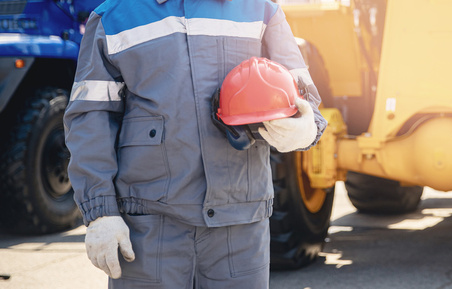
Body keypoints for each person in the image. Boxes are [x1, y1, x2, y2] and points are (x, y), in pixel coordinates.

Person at [63, 0, 327, 288]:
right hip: (148, 227)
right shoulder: (114, 18)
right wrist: (101, 213)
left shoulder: (261, 11)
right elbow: (91, 118)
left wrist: (305, 127)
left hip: (239, 226)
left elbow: (300, 94)